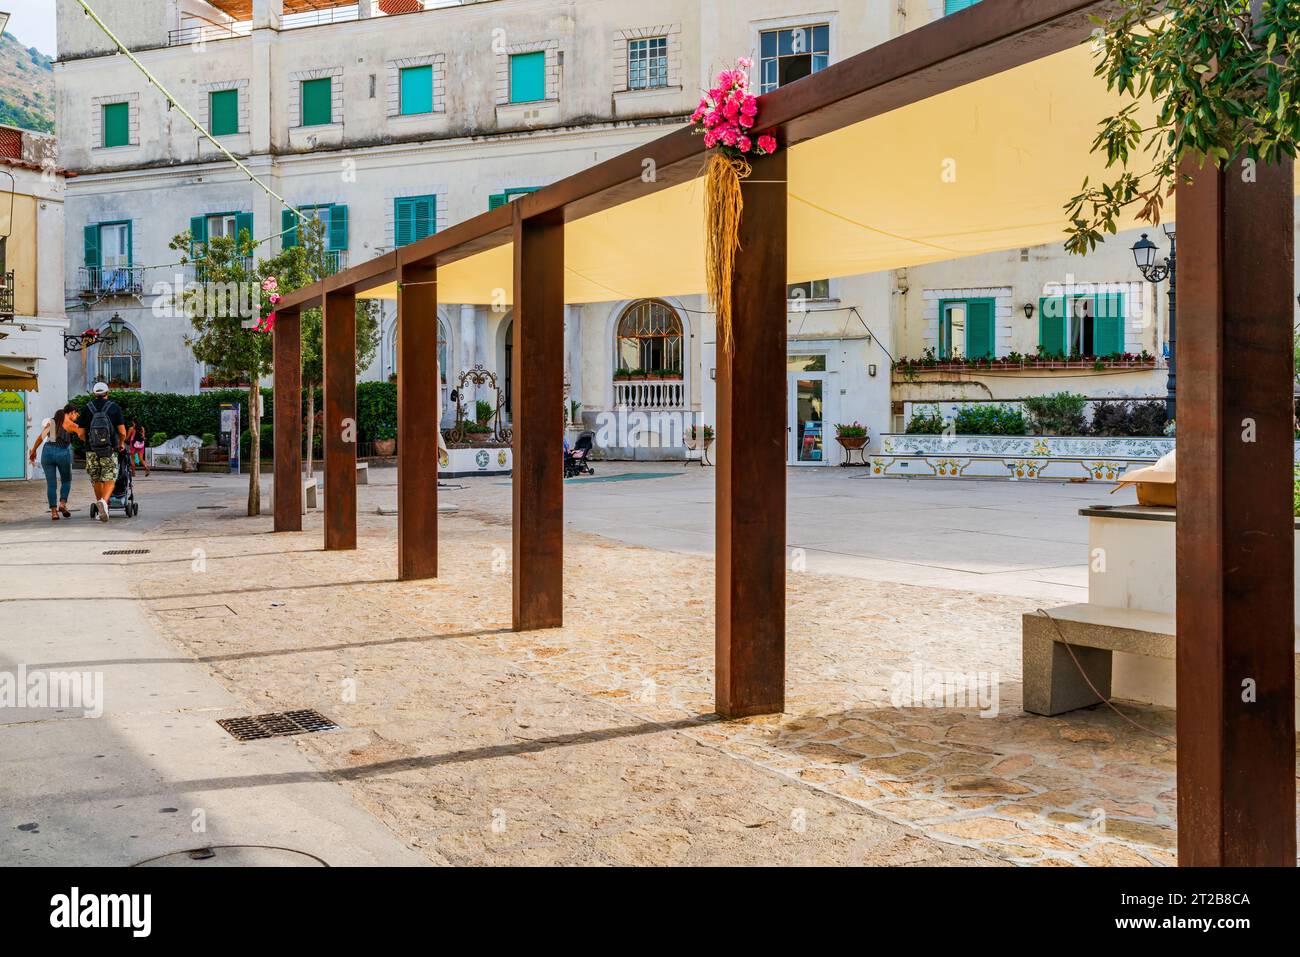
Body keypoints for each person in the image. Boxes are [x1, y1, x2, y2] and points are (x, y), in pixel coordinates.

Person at [66, 382, 127, 523]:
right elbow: (122, 431)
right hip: (109, 450)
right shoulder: (114, 407)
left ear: (94, 393)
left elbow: (80, 433)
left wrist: (88, 442)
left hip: (91, 450)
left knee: (96, 479)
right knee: (110, 478)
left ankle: (100, 502)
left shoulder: (87, 408)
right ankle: (104, 503)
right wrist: (121, 443)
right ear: (107, 393)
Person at [27, 404, 77, 521]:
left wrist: (33, 451)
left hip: (47, 452)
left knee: (51, 484)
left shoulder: (52, 424)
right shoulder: (69, 424)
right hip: (62, 453)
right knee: (66, 480)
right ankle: (62, 504)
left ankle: (54, 512)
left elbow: (40, 438)